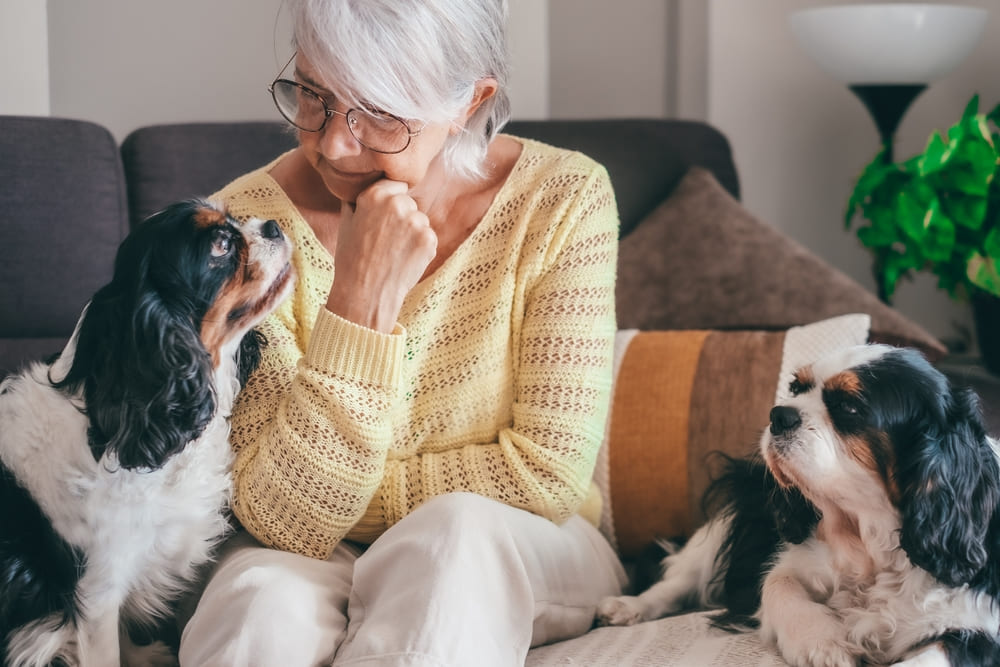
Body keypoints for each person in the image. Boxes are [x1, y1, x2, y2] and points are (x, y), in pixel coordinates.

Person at [178, 0, 626, 664]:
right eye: (313, 94)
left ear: (470, 101)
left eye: (379, 113)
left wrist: (352, 494)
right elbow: (281, 519)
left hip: (526, 537)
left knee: (451, 540)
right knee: (257, 598)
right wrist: (359, 299)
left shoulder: (563, 201)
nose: (332, 142)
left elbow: (546, 472)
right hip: (311, 548)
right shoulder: (247, 232)